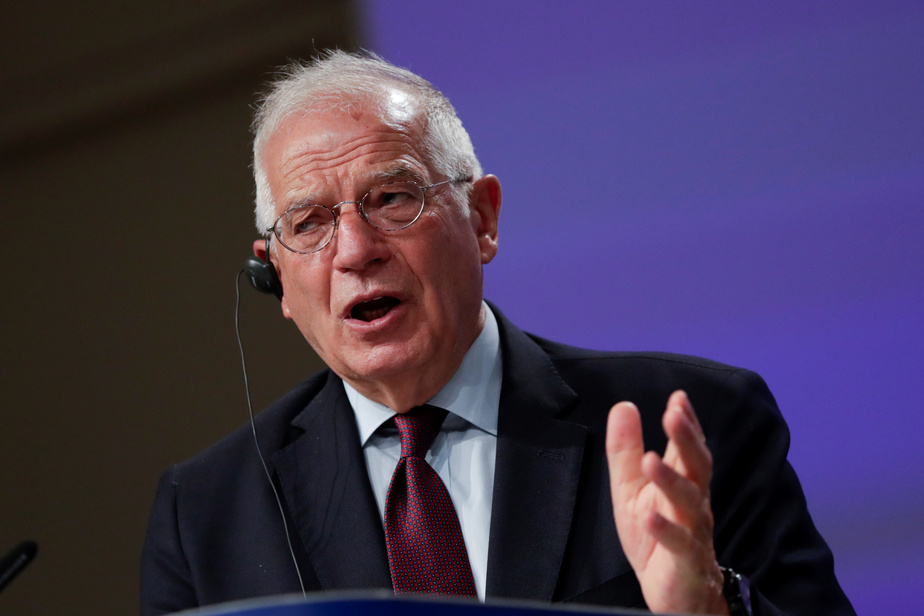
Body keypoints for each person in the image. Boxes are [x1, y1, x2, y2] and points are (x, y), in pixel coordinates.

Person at [140, 51, 855, 616]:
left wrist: (708, 608)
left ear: (482, 219)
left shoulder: (693, 425)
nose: (354, 251)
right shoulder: (204, 516)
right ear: (275, 277)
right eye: (308, 224)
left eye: (391, 197)